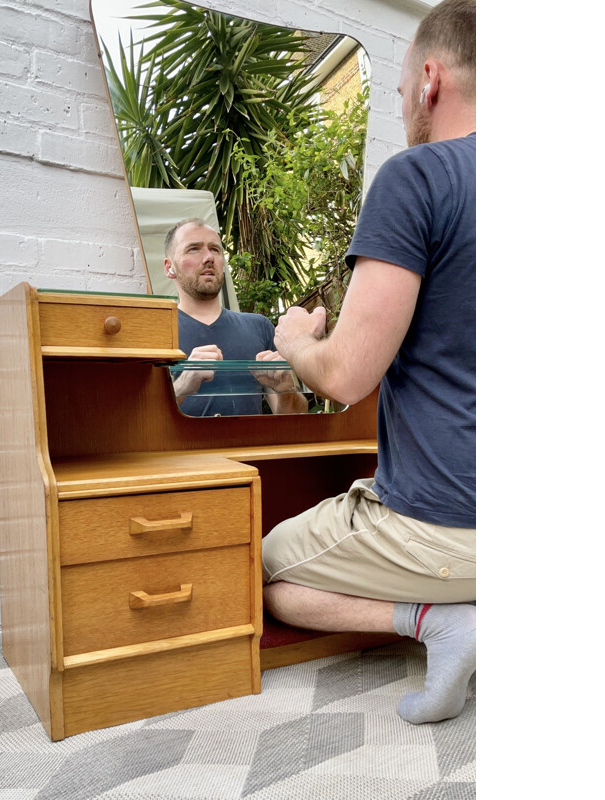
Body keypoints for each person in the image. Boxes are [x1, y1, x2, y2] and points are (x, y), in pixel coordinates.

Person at [261, 0, 476, 725]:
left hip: (452, 526)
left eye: (396, 94)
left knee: (264, 569)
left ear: (428, 78)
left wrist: (296, 343)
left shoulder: (416, 178)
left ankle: (436, 619)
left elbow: (349, 377)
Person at [164, 218, 308, 416]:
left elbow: (296, 419)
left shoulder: (259, 327)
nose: (208, 257)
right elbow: (137, 421)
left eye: (215, 249)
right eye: (193, 249)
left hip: (249, 447)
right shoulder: (157, 333)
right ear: (169, 267)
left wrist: (286, 391)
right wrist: (181, 386)